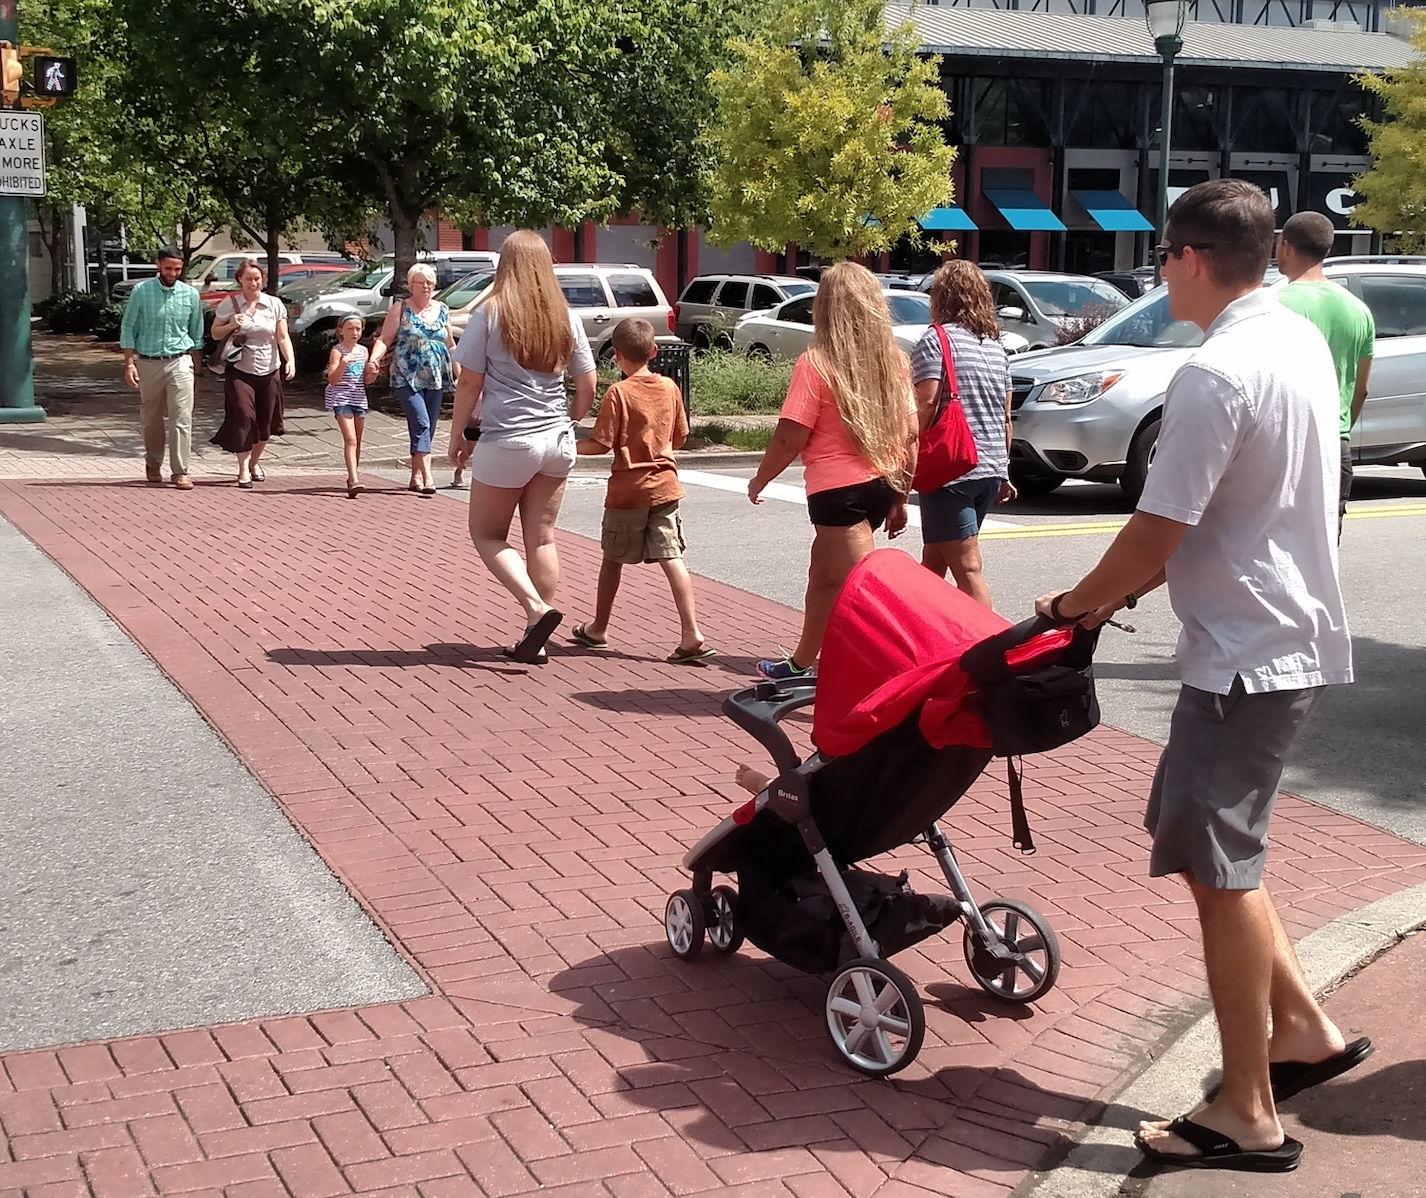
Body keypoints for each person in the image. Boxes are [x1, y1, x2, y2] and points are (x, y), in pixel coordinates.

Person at [1034, 180, 1362, 1173]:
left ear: (1186, 256)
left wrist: (1071, 605)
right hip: (1281, 634)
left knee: (1218, 872)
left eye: (1162, 256)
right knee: (1209, 844)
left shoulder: (1215, 372)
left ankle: (1246, 1110)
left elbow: (1155, 530)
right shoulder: (1293, 336)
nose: (1157, 272)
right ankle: (1300, 1026)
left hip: (1242, 652)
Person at [746, 261, 916, 681]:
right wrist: (900, 497)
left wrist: (761, 477)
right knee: (822, 575)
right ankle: (802, 663)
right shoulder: (892, 361)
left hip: (838, 493)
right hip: (880, 481)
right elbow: (911, 435)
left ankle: (903, 679)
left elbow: (790, 436)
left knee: (867, 598)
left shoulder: (817, 363)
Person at [447, 230, 597, 664]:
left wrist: (459, 435)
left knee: (488, 533)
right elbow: (587, 382)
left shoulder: (490, 313)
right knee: (542, 537)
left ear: (506, 265)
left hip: (509, 438)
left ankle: (536, 609)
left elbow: (470, 380)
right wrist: (572, 419)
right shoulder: (564, 316)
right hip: (556, 440)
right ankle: (538, 636)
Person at [569, 318, 715, 664]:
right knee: (672, 557)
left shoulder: (618, 393)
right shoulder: (669, 388)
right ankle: (691, 631)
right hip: (665, 486)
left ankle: (599, 628)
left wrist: (568, 443)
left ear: (615, 355)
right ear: (654, 351)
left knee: (612, 558)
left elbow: (601, 444)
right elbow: (679, 437)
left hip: (627, 490)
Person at [911, 260, 1016, 606]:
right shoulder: (996, 348)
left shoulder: (936, 340)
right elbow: (1004, 417)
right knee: (933, 563)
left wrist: (904, 447)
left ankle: (989, 648)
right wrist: (1003, 472)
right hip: (988, 470)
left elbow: (926, 404)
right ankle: (925, 636)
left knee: (967, 568)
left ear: (941, 297)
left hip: (951, 469)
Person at [1276, 210, 1375, 536]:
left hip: (1284, 444)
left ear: (1285, 245)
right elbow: (1361, 389)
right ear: (1327, 250)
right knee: (1322, 554)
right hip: (1335, 444)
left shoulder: (1275, 303)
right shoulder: (1359, 311)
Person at [367, 263, 458, 496]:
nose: (425, 287)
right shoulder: (401, 308)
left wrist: (461, 373)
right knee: (421, 422)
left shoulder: (442, 309)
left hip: (437, 377)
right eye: (420, 283)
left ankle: (415, 475)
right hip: (406, 375)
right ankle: (428, 476)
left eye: (429, 282)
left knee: (428, 425)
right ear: (411, 285)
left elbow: (451, 345)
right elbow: (385, 339)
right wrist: (374, 360)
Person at [119, 246, 204, 491]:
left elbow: (197, 335)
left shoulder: (190, 295)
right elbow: (129, 328)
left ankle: (180, 471)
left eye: (177, 269)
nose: (173, 273)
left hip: (180, 360)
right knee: (151, 418)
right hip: (148, 361)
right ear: (158, 264)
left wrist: (198, 371)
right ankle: (153, 463)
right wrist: (128, 363)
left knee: (181, 418)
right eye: (168, 268)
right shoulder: (141, 292)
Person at [209, 258, 296, 488]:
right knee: (244, 416)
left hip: (269, 369)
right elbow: (215, 333)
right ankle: (242, 470)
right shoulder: (230, 303)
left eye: (257, 278)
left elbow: (282, 336)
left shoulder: (274, 304)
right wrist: (229, 325)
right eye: (249, 279)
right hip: (240, 369)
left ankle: (254, 463)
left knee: (265, 422)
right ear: (239, 280)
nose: (254, 283)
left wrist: (290, 361)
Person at [325, 313, 369, 499]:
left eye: (358, 329)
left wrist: (373, 372)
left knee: (357, 440)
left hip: (359, 398)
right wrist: (343, 363)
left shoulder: (364, 351)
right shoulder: (337, 351)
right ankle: (353, 479)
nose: (355, 332)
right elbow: (333, 379)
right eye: (350, 328)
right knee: (350, 439)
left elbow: (366, 379)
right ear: (341, 331)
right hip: (341, 398)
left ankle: (354, 476)